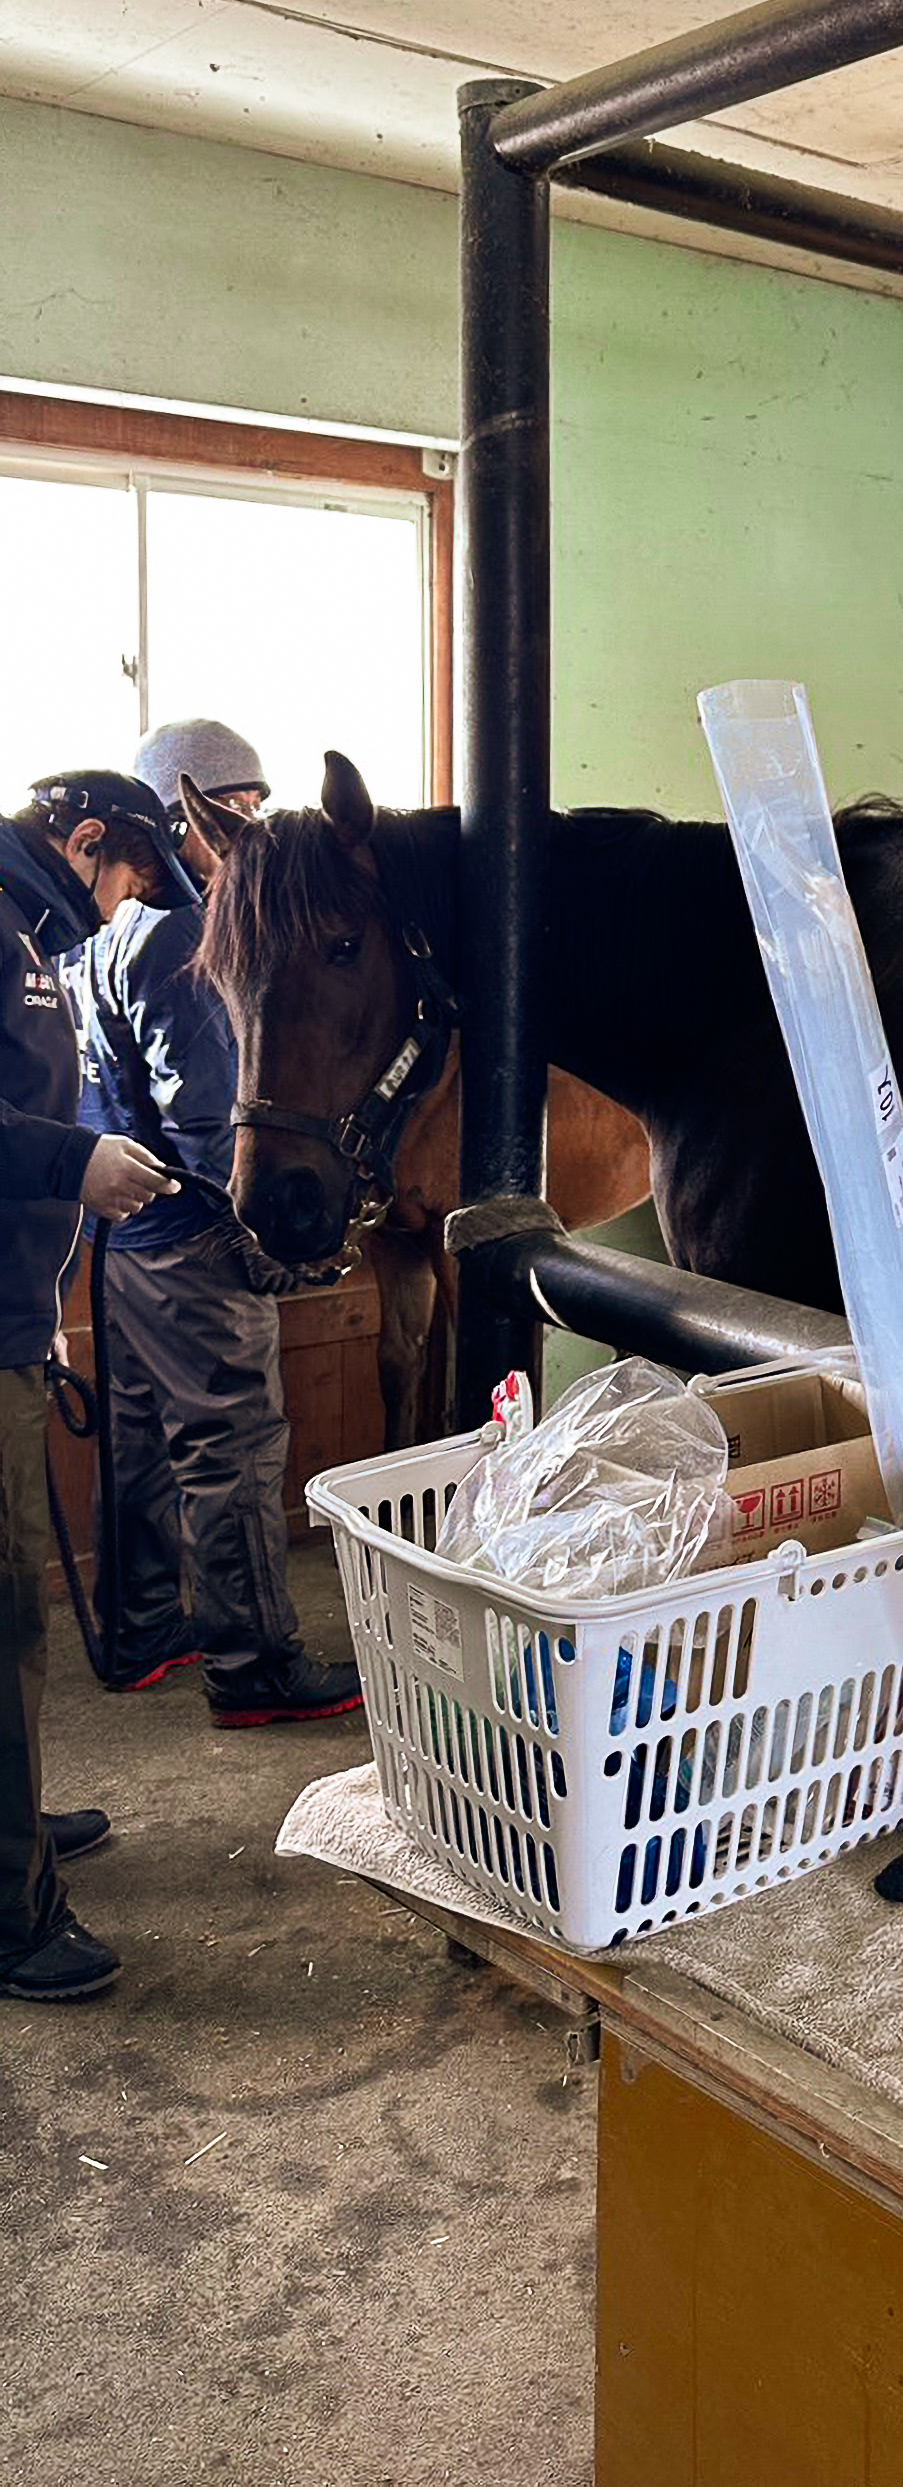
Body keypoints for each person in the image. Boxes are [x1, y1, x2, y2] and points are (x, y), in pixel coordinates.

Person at [67, 721, 362, 1728]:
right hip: (192, 1241)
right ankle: (254, 1665)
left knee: (140, 1440)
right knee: (231, 1445)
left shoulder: (98, 926)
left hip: (117, 1241)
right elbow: (204, 1115)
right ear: (177, 819)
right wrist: (261, 1250)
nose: (248, 825)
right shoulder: (192, 938)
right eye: (233, 809)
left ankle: (143, 1626)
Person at [2, 770, 183, 1999]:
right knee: (4, 1617)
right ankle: (10, 1914)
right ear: (82, 843)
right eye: (127, 879)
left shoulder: (25, 932)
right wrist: (81, 1160)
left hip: (10, 1319)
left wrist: (41, 1317)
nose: (125, 908)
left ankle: (9, 1828)